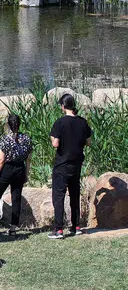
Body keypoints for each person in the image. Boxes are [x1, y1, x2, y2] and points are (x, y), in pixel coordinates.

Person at [48, 93, 92, 239]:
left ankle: (59, 229)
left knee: (59, 196)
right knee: (74, 195)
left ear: (62, 106)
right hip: (77, 163)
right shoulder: (82, 122)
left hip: (62, 164)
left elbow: (55, 144)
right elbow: (88, 142)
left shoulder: (60, 123)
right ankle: (76, 226)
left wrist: (53, 137)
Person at [0, 114, 33, 235]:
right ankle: (13, 228)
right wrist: (26, 174)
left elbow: (1, 160)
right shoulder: (26, 138)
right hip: (20, 168)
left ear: (8, 124)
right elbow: (28, 159)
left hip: (7, 169)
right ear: (19, 124)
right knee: (16, 197)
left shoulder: (5, 139)